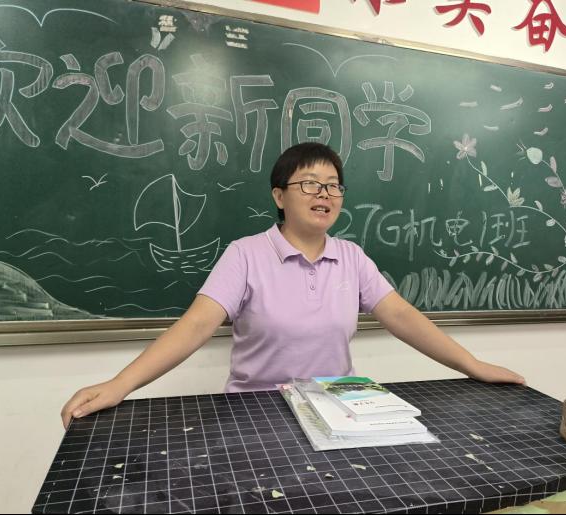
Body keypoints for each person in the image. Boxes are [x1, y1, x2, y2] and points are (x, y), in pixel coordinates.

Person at [61, 142, 525, 428]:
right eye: (310, 183)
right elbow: (196, 325)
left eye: (334, 185)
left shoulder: (351, 256)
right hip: (256, 412)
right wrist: (120, 384)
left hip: (341, 408)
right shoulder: (245, 254)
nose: (324, 193)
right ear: (279, 196)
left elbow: (401, 315)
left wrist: (473, 365)